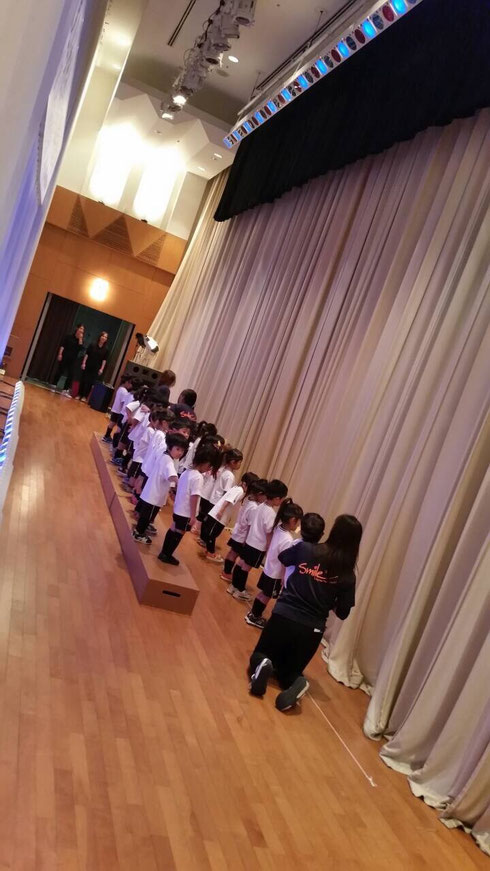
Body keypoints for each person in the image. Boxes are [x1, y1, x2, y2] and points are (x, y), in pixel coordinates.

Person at [248, 514, 363, 711]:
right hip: (312, 630)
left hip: (284, 615)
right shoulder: (347, 575)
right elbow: (343, 613)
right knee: (289, 672)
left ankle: (264, 663)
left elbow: (284, 558)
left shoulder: (307, 549)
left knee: (260, 655)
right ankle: (296, 682)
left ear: (333, 531)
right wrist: (328, 597)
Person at [158, 444, 220, 566]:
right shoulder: (198, 477)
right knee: (179, 532)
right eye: (209, 466)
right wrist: (193, 516)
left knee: (173, 528)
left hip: (178, 508)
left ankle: (164, 552)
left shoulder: (187, 472)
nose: (209, 469)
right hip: (186, 512)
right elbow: (194, 497)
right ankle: (167, 555)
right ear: (205, 462)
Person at [245, 500, 304, 629]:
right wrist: (283, 578)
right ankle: (254, 616)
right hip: (275, 574)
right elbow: (284, 561)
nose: (299, 524)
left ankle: (253, 614)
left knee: (263, 593)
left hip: (269, 568)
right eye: (298, 521)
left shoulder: (278, 528)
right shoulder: (288, 539)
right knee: (266, 596)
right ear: (293, 520)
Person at [227, 479, 289, 601]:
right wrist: (269, 548)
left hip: (250, 541)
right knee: (246, 567)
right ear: (277, 498)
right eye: (282, 499)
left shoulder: (260, 505)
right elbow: (269, 532)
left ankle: (233, 586)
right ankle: (240, 590)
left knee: (241, 563)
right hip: (258, 546)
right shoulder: (270, 513)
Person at [132, 433, 189, 543]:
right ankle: (138, 533)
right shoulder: (168, 460)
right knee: (147, 515)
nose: (180, 453)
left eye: (182, 451)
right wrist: (181, 483)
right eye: (178, 449)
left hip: (153, 491)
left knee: (146, 514)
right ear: (170, 447)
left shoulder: (165, 456)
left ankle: (140, 530)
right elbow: (172, 476)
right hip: (155, 494)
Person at [200, 470, 258, 563]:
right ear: (244, 484)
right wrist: (221, 511)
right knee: (213, 534)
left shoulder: (237, 489)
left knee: (213, 533)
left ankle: (208, 550)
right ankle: (210, 552)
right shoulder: (239, 491)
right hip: (219, 516)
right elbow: (228, 500)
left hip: (221, 516)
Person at [220, 478, 268, 581]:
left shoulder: (248, 499)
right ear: (260, 494)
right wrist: (247, 540)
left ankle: (226, 570)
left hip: (238, 531)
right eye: (265, 496)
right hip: (243, 535)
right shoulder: (254, 507)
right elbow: (250, 525)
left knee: (232, 552)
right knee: (235, 554)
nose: (265, 499)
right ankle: (226, 573)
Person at [197, 448, 243, 549]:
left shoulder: (222, 469)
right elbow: (226, 493)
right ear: (233, 462)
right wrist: (223, 507)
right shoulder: (230, 476)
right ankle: (205, 541)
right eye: (239, 462)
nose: (240, 464)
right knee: (211, 524)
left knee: (207, 521)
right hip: (217, 501)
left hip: (212, 498)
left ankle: (202, 538)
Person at [50, 324, 85, 396]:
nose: (81, 330)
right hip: (65, 356)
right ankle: (54, 385)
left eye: (83, 330)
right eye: (81, 328)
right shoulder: (68, 337)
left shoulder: (80, 340)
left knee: (71, 374)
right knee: (60, 371)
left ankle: (65, 390)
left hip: (73, 359)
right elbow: (62, 346)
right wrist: (60, 354)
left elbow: (80, 349)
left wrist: (80, 339)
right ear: (77, 329)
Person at [78, 331, 109, 401]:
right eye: (103, 336)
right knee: (83, 380)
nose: (104, 338)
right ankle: (79, 394)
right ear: (100, 337)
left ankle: (85, 396)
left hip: (96, 368)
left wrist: (101, 369)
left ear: (106, 339)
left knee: (90, 382)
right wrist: (83, 363)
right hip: (88, 365)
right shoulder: (92, 345)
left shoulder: (106, 350)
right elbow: (87, 354)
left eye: (105, 337)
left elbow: (104, 360)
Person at [102, 375, 134, 443]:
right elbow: (123, 402)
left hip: (115, 409)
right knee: (116, 425)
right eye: (129, 383)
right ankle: (108, 437)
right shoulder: (124, 391)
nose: (130, 385)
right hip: (118, 411)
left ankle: (106, 436)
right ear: (126, 382)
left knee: (112, 423)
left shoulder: (120, 388)